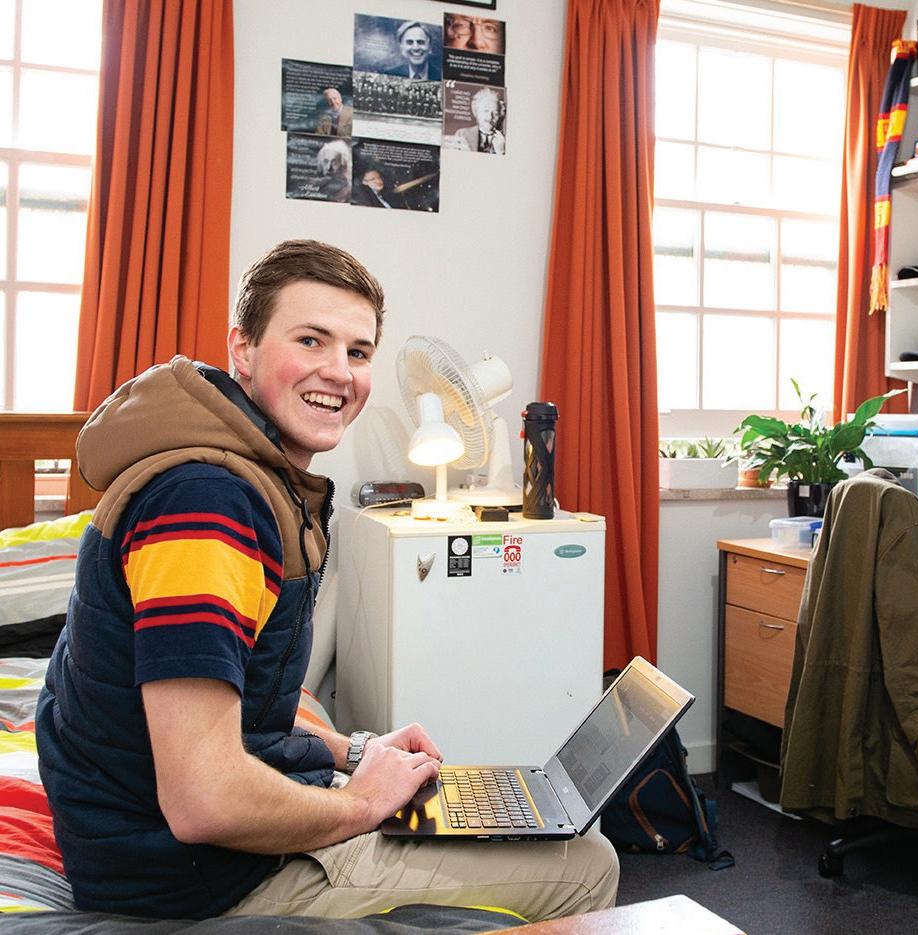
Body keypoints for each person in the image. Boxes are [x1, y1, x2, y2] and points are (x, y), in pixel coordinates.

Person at [35, 240, 618, 922]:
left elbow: (236, 705)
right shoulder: (206, 506)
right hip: (192, 881)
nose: (339, 372)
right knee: (586, 863)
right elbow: (204, 799)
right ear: (242, 348)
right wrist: (361, 802)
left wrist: (352, 749)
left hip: (169, 852)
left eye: (358, 352)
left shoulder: (243, 475)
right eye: (310, 340)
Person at [454, 86, 506, 155]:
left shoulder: (504, 140)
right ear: (476, 111)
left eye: (495, 113)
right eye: (486, 111)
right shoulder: (462, 134)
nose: (490, 117)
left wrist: (501, 152)